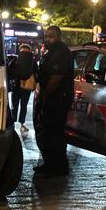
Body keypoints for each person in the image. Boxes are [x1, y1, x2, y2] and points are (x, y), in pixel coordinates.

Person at [34, 26, 74, 176]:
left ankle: (57, 167)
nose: (48, 39)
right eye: (46, 36)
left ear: (58, 36)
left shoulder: (61, 52)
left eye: (51, 36)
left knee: (54, 133)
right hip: (52, 97)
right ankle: (50, 164)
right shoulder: (50, 51)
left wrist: (45, 94)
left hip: (57, 98)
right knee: (49, 132)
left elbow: (56, 78)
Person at [10, 43, 37, 135]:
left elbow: (9, 72)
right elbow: (36, 74)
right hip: (26, 87)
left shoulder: (15, 60)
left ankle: (13, 124)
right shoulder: (33, 62)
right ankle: (21, 124)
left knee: (15, 106)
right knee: (23, 106)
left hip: (16, 87)